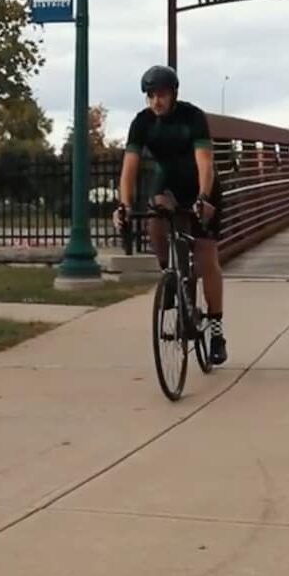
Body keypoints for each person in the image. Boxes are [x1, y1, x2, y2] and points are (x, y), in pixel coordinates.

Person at [112, 64, 227, 365]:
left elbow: (204, 162)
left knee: (206, 258)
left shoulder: (192, 117)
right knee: (156, 218)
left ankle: (216, 331)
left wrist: (203, 197)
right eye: (150, 96)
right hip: (168, 185)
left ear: (173, 93)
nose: (156, 102)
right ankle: (171, 275)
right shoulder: (142, 122)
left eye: (161, 95)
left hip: (202, 186)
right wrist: (123, 205)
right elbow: (129, 169)